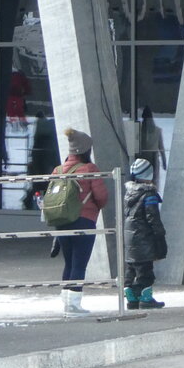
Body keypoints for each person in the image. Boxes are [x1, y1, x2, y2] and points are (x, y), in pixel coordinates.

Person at [54, 127, 108, 317]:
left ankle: (67, 303)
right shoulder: (90, 169)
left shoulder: (58, 170)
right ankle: (74, 306)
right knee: (79, 263)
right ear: (86, 150)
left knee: (69, 263)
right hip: (84, 220)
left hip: (61, 221)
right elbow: (101, 197)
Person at [123, 156, 167, 310]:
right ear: (149, 175)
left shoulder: (129, 193)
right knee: (146, 271)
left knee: (131, 268)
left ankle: (131, 298)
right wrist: (160, 235)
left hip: (130, 239)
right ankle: (145, 298)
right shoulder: (149, 195)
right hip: (144, 239)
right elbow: (152, 218)